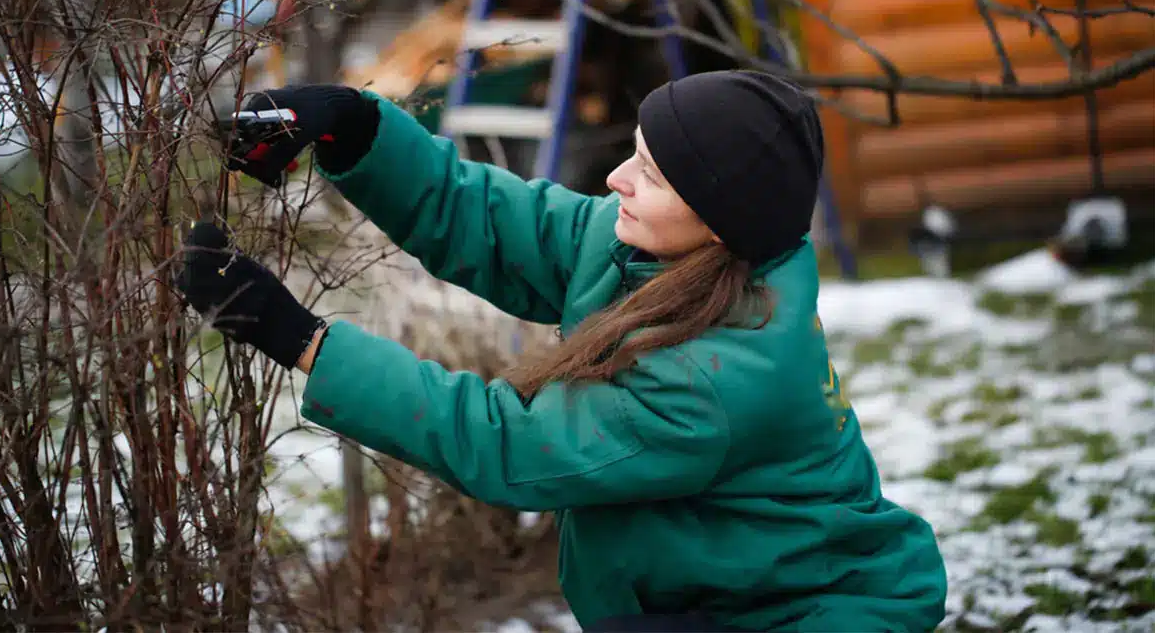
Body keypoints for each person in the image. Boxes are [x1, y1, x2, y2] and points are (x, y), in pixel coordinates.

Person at [177, 70, 948, 632]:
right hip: (737, 598)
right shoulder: (665, 257)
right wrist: (352, 125)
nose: (616, 178)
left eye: (648, 171)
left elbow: (510, 444)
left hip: (812, 617)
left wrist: (304, 341)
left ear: (718, 219)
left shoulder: (717, 375)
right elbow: (486, 216)